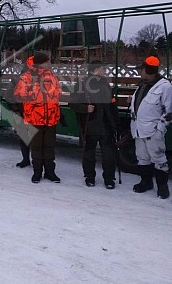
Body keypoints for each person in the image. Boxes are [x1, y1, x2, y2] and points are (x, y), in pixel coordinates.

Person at [69, 61, 119, 189]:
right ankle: (89, 177)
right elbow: (72, 103)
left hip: (106, 125)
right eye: (103, 69)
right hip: (90, 124)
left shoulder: (106, 84)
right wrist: (85, 109)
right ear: (96, 70)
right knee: (89, 154)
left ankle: (109, 179)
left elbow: (112, 104)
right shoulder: (82, 84)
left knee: (109, 155)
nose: (105, 71)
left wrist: (115, 122)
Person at [14, 51, 61, 184]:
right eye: (48, 61)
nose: (50, 63)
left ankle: (50, 172)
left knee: (49, 146)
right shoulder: (27, 77)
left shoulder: (52, 76)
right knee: (36, 147)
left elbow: (58, 92)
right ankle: (37, 172)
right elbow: (18, 94)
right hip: (34, 118)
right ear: (42, 63)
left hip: (51, 117)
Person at [130, 56, 172, 199]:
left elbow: (169, 111)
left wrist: (159, 129)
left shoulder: (165, 87)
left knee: (159, 159)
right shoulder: (142, 84)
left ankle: (162, 187)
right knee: (142, 158)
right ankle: (146, 183)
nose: (139, 73)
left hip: (153, 132)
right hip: (138, 129)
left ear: (148, 70)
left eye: (141, 70)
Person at [3, 56, 34, 168]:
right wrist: (16, 109)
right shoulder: (18, 79)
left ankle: (30, 160)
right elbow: (8, 96)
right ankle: (27, 159)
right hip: (23, 111)